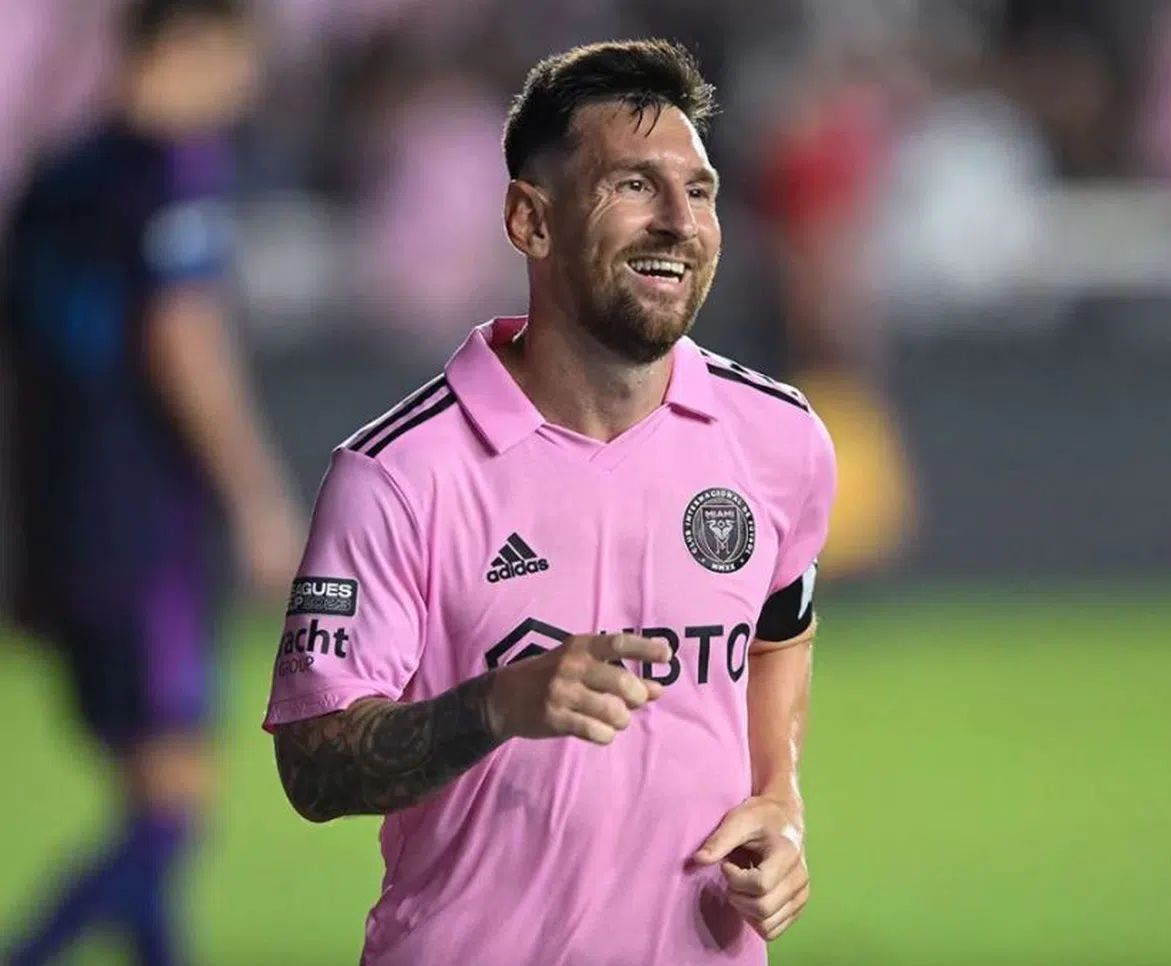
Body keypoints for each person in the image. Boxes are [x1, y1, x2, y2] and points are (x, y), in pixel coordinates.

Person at [265, 39, 837, 966]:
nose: (678, 222)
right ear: (530, 220)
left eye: (699, 192)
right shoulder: (398, 473)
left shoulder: (780, 439)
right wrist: (498, 704)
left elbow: (779, 636)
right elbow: (313, 766)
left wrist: (781, 800)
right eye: (633, 186)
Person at [0, 2, 304, 964]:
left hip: (65, 522)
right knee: (175, 805)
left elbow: (27, 366)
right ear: (188, 45)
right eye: (239, 61)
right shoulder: (175, 175)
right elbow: (184, 343)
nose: (245, 87)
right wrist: (257, 499)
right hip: (145, 522)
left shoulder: (57, 177)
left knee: (149, 792)